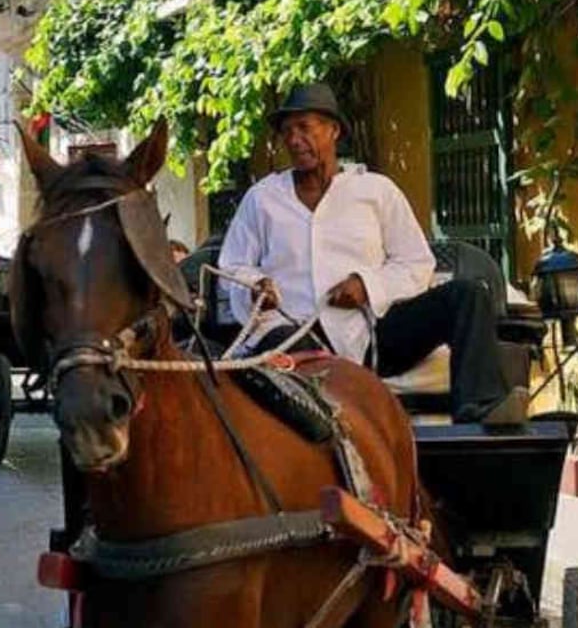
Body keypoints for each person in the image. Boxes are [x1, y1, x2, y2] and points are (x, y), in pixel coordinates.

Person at [218, 83, 525, 424]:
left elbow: (415, 263)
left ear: (333, 130)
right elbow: (232, 266)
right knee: (286, 356)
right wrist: (255, 284)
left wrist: (367, 286)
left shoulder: (376, 191)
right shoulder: (262, 199)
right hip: (290, 333)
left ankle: (480, 409)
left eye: (304, 127)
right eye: (287, 131)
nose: (293, 139)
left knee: (467, 295)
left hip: (368, 333)